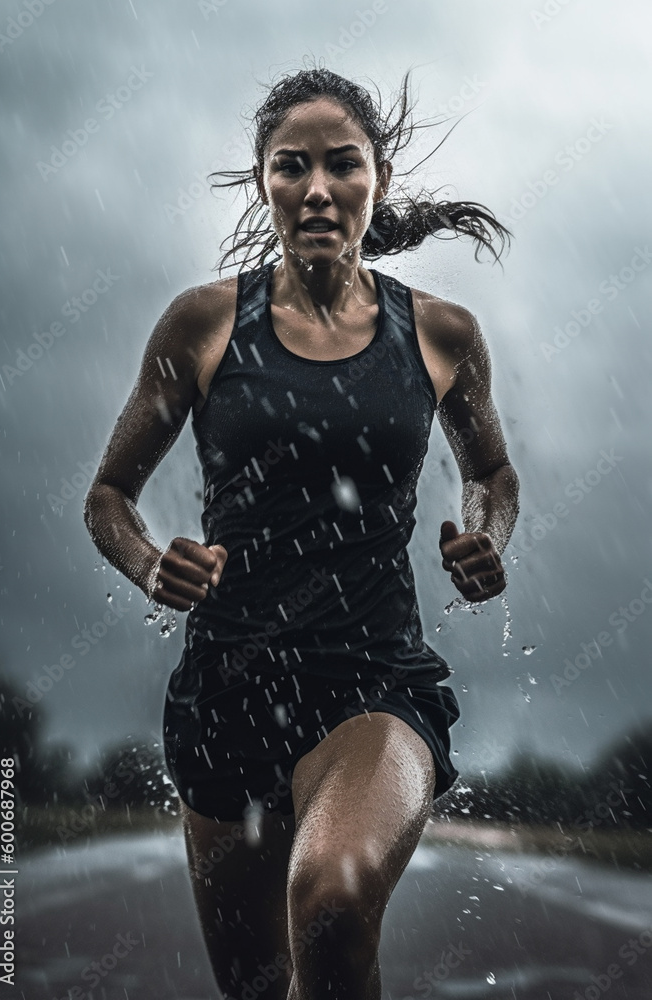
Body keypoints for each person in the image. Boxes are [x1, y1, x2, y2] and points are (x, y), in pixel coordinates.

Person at [84, 66, 519, 1000]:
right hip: (227, 689)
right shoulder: (203, 323)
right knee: (259, 987)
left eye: (341, 165)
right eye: (290, 167)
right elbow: (109, 497)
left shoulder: (440, 334)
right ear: (264, 185)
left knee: (330, 899)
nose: (316, 188)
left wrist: (486, 534)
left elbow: (489, 473)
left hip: (373, 680)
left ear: (378, 182)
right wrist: (152, 563)